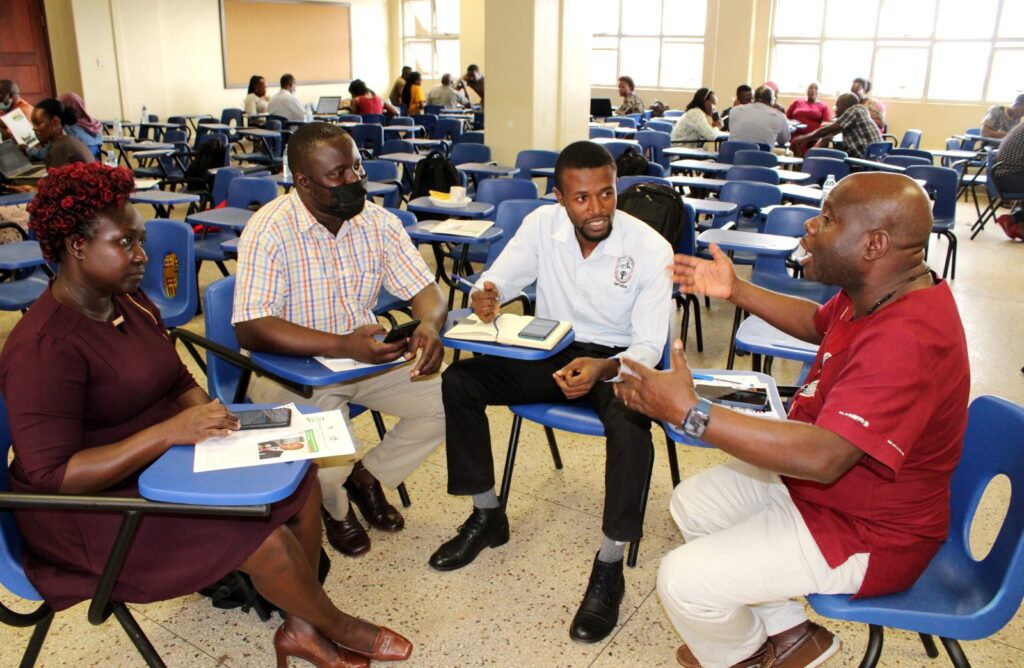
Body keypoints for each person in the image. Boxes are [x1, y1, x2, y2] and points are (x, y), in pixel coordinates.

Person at [1, 162, 414, 668]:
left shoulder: (126, 303)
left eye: (140, 241)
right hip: (90, 510)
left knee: (299, 475)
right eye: (126, 244)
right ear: (76, 246)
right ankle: (336, 624)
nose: (142, 256)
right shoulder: (44, 347)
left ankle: (302, 630)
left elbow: (175, 381)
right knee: (260, 537)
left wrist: (218, 424)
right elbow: (52, 476)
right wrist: (169, 433)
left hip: (162, 462)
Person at [615, 172, 970, 668]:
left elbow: (824, 459)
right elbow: (815, 322)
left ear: (873, 244)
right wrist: (736, 290)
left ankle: (741, 657)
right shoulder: (878, 287)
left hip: (871, 531)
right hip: (830, 493)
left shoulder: (908, 338)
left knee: (680, 580)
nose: (810, 225)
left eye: (827, 219)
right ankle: (792, 636)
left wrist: (690, 413)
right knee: (693, 503)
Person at [429, 141, 672, 644]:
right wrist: (488, 292)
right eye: (582, 198)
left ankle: (609, 566)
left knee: (631, 428)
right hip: (555, 349)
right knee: (461, 381)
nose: (598, 208)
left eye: (607, 194)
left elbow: (651, 344)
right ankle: (487, 513)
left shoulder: (651, 247)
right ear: (559, 197)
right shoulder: (542, 226)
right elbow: (504, 276)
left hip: (618, 359)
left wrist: (606, 367)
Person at [232, 122, 446, 560]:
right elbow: (250, 327)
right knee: (330, 454)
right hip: (289, 370)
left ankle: (368, 478)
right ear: (304, 182)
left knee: (452, 400)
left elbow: (428, 292)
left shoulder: (378, 223)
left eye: (357, 168)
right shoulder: (269, 230)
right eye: (339, 175)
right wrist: (341, 345)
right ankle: (335, 505)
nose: (354, 181)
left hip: (364, 361)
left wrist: (427, 324)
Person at [791, 92, 882, 159]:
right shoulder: (861, 111)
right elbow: (829, 134)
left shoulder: (855, 110)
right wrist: (811, 151)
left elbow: (826, 130)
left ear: (846, 106)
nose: (836, 110)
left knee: (825, 159)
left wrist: (803, 138)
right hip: (872, 159)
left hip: (862, 160)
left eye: (837, 106)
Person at [26, 98, 95, 168]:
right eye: (33, 123)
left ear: (55, 121)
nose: (34, 128)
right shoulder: (67, 140)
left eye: (38, 123)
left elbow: (55, 178)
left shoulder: (59, 148)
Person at [726, 84, 790, 148]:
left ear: (754, 98)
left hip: (733, 155)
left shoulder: (734, 111)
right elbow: (784, 139)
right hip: (762, 156)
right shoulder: (779, 116)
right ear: (771, 100)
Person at [786, 82, 832, 157]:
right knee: (797, 141)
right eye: (810, 88)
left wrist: (813, 136)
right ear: (806, 90)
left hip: (813, 137)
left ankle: (802, 165)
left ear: (819, 92)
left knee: (800, 142)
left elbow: (825, 125)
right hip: (797, 134)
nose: (813, 90)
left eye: (815, 88)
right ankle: (798, 165)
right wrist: (792, 122)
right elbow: (785, 118)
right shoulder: (797, 102)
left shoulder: (823, 106)